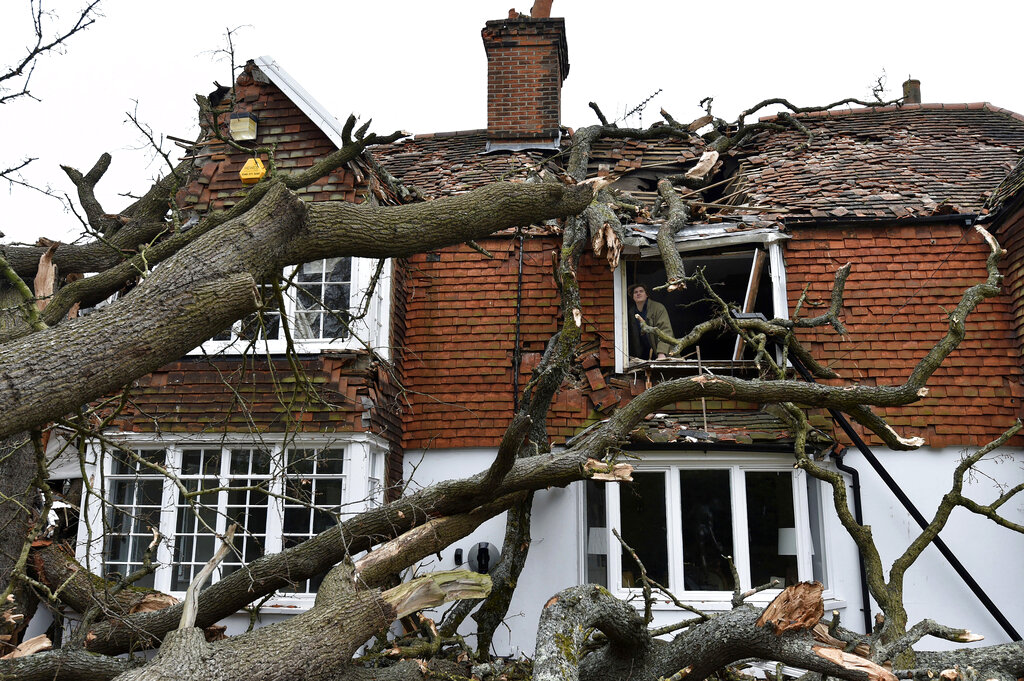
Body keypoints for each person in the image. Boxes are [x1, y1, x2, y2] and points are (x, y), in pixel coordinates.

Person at [627, 283, 674, 360]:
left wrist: (661, 353)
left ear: (647, 294)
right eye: (635, 292)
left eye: (641, 291)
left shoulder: (658, 308)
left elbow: (665, 331)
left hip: (665, 354)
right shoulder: (631, 313)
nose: (638, 293)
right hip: (644, 355)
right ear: (632, 297)